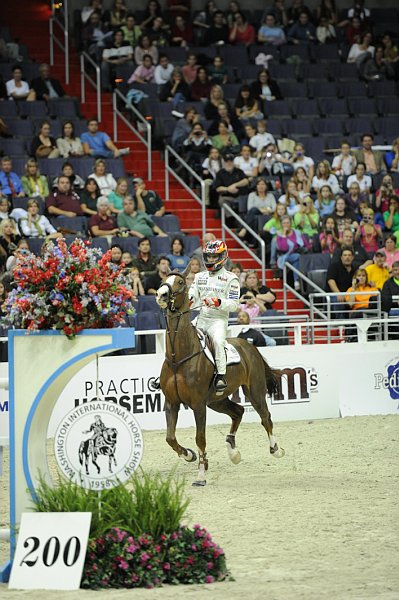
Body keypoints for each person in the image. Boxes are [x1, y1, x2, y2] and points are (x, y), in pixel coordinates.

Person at [189, 239, 240, 392]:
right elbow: (192, 295)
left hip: (218, 320)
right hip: (201, 317)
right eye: (208, 256)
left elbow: (234, 305)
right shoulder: (199, 277)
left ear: (222, 256)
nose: (210, 260)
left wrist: (218, 302)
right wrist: (189, 300)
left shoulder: (231, 278)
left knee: (218, 341)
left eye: (214, 257)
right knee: (179, 334)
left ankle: (220, 376)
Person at [237, 178, 276, 243]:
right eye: (258, 184)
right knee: (253, 212)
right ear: (256, 186)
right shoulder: (252, 195)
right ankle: (253, 240)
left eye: (263, 184)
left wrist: (263, 210)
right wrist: (266, 209)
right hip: (255, 214)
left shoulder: (270, 196)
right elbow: (250, 208)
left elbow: (274, 208)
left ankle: (244, 229)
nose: (261, 186)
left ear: (266, 186)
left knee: (254, 213)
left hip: (268, 215)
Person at [276, 216, 309, 290]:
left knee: (296, 260)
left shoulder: (296, 232)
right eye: (284, 223)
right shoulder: (279, 235)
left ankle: (296, 282)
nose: (286, 225)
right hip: (284, 257)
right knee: (297, 256)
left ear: (290, 224)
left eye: (287, 223)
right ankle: (296, 281)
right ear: (281, 224)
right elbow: (283, 248)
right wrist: (284, 235)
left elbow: (305, 244)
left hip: (296, 256)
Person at [327, 246, 357, 318]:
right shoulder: (334, 266)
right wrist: (338, 293)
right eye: (345, 255)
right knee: (339, 301)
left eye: (349, 255)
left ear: (352, 257)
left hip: (349, 294)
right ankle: (340, 325)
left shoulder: (355, 269)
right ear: (341, 257)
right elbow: (331, 281)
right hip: (335, 294)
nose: (347, 257)